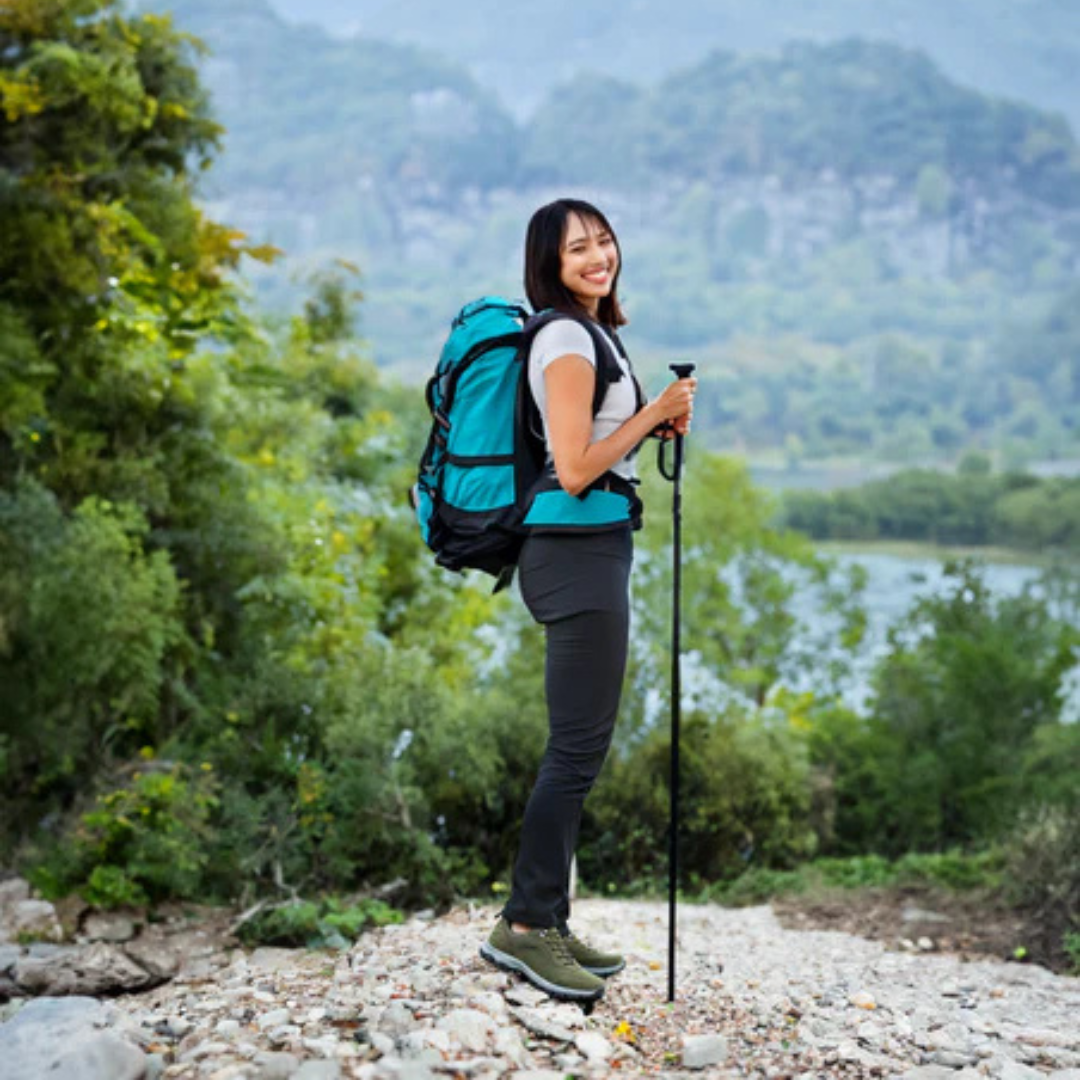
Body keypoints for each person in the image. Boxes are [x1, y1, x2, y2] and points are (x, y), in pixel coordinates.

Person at [479, 198, 697, 1002]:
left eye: (604, 239)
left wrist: (651, 426)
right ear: (550, 262)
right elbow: (573, 469)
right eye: (578, 247)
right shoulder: (565, 336)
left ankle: (549, 919)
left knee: (581, 748)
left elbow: (598, 455)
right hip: (572, 554)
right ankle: (527, 928)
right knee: (574, 752)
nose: (597, 255)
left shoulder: (594, 333)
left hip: (593, 550)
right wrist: (652, 414)